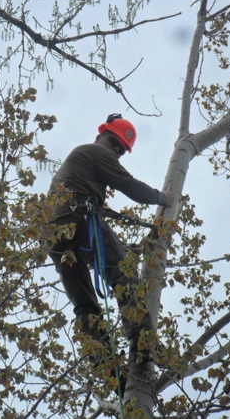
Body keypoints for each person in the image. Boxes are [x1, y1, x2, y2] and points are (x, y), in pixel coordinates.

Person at [47, 113, 174, 368]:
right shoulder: (95, 152)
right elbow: (130, 186)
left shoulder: (79, 166)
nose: (115, 150)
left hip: (55, 236)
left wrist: (135, 247)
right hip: (81, 221)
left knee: (85, 306)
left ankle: (107, 368)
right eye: (113, 141)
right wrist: (162, 198)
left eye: (121, 149)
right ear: (100, 136)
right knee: (124, 278)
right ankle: (144, 344)